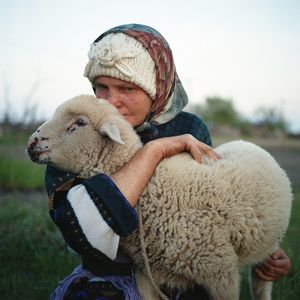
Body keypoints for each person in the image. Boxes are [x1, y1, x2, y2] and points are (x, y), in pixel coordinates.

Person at [46, 24, 291, 300]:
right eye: (101, 87)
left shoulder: (190, 128)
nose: (111, 102)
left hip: (183, 271)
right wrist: (154, 152)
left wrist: (265, 250)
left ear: (156, 88)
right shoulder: (76, 137)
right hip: (111, 275)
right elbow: (82, 236)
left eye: (127, 88)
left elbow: (216, 216)